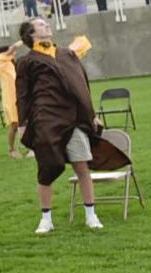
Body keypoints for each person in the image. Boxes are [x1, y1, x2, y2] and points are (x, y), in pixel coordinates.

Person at [15, 18, 123, 234]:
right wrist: (22, 125)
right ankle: (46, 219)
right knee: (46, 169)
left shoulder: (67, 54)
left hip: (74, 119)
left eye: (46, 23)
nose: (47, 25)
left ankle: (91, 215)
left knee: (82, 166)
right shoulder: (27, 62)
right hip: (46, 120)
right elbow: (23, 95)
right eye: (41, 25)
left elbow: (81, 84)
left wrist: (91, 115)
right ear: (32, 33)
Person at [0, 45, 23, 159]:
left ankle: (31, 148)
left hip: (20, 96)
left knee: (25, 122)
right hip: (10, 99)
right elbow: (13, 48)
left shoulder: (13, 65)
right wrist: (22, 41)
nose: (13, 53)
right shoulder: (0, 62)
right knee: (14, 125)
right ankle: (12, 149)